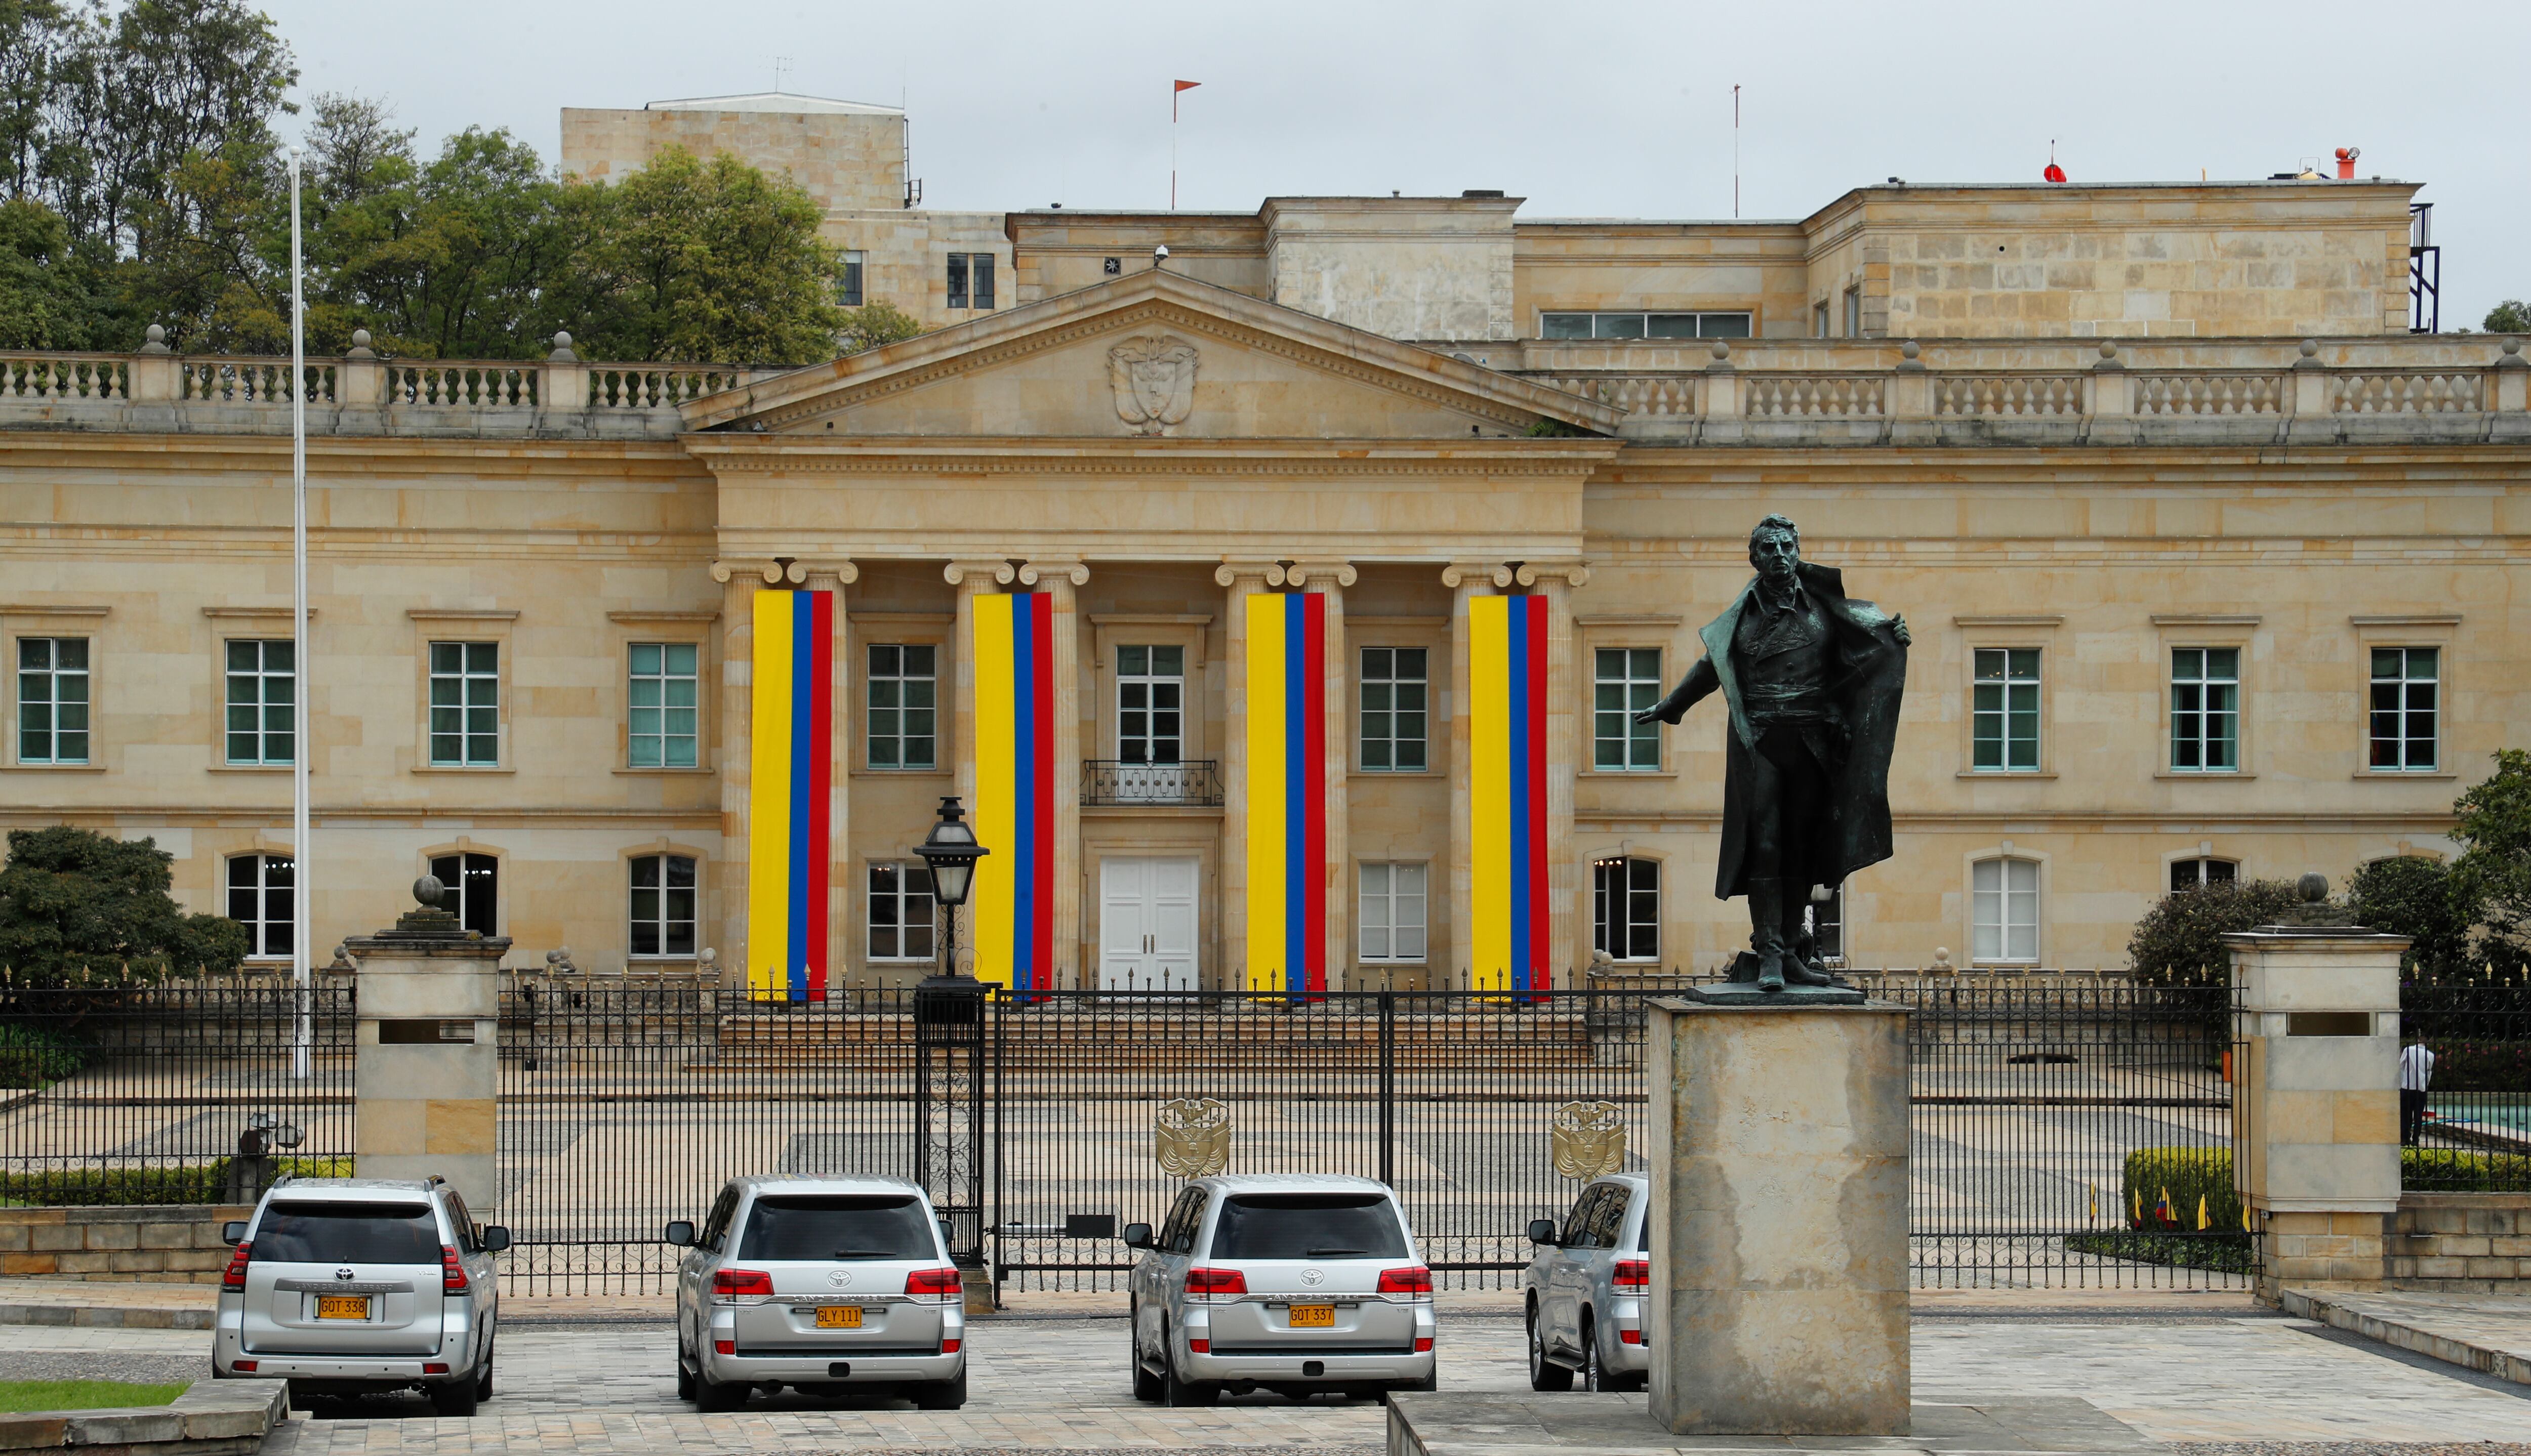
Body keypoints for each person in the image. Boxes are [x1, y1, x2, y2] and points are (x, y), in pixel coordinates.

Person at [1634, 515, 1908, 991]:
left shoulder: (1825, 607)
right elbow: (1711, 667)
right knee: (1765, 843)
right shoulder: (1742, 616)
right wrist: (1670, 705)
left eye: (1786, 546)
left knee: (1801, 845)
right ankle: (1770, 954)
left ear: (1797, 550)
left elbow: (1869, 647)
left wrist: (1892, 638)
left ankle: (1793, 947)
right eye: (1769, 548)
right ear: (1755, 558)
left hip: (1812, 739)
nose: (1779, 555)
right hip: (1758, 738)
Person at [2400, 1034, 2436, 1145]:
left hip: (2408, 1086)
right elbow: (2429, 1072)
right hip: (2421, 1088)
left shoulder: (2408, 1050)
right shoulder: (2430, 1055)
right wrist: (2426, 1084)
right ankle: (2416, 1139)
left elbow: (2401, 1065)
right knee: (2418, 1115)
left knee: (2406, 1115)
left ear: (2418, 1040)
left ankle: (2405, 1138)